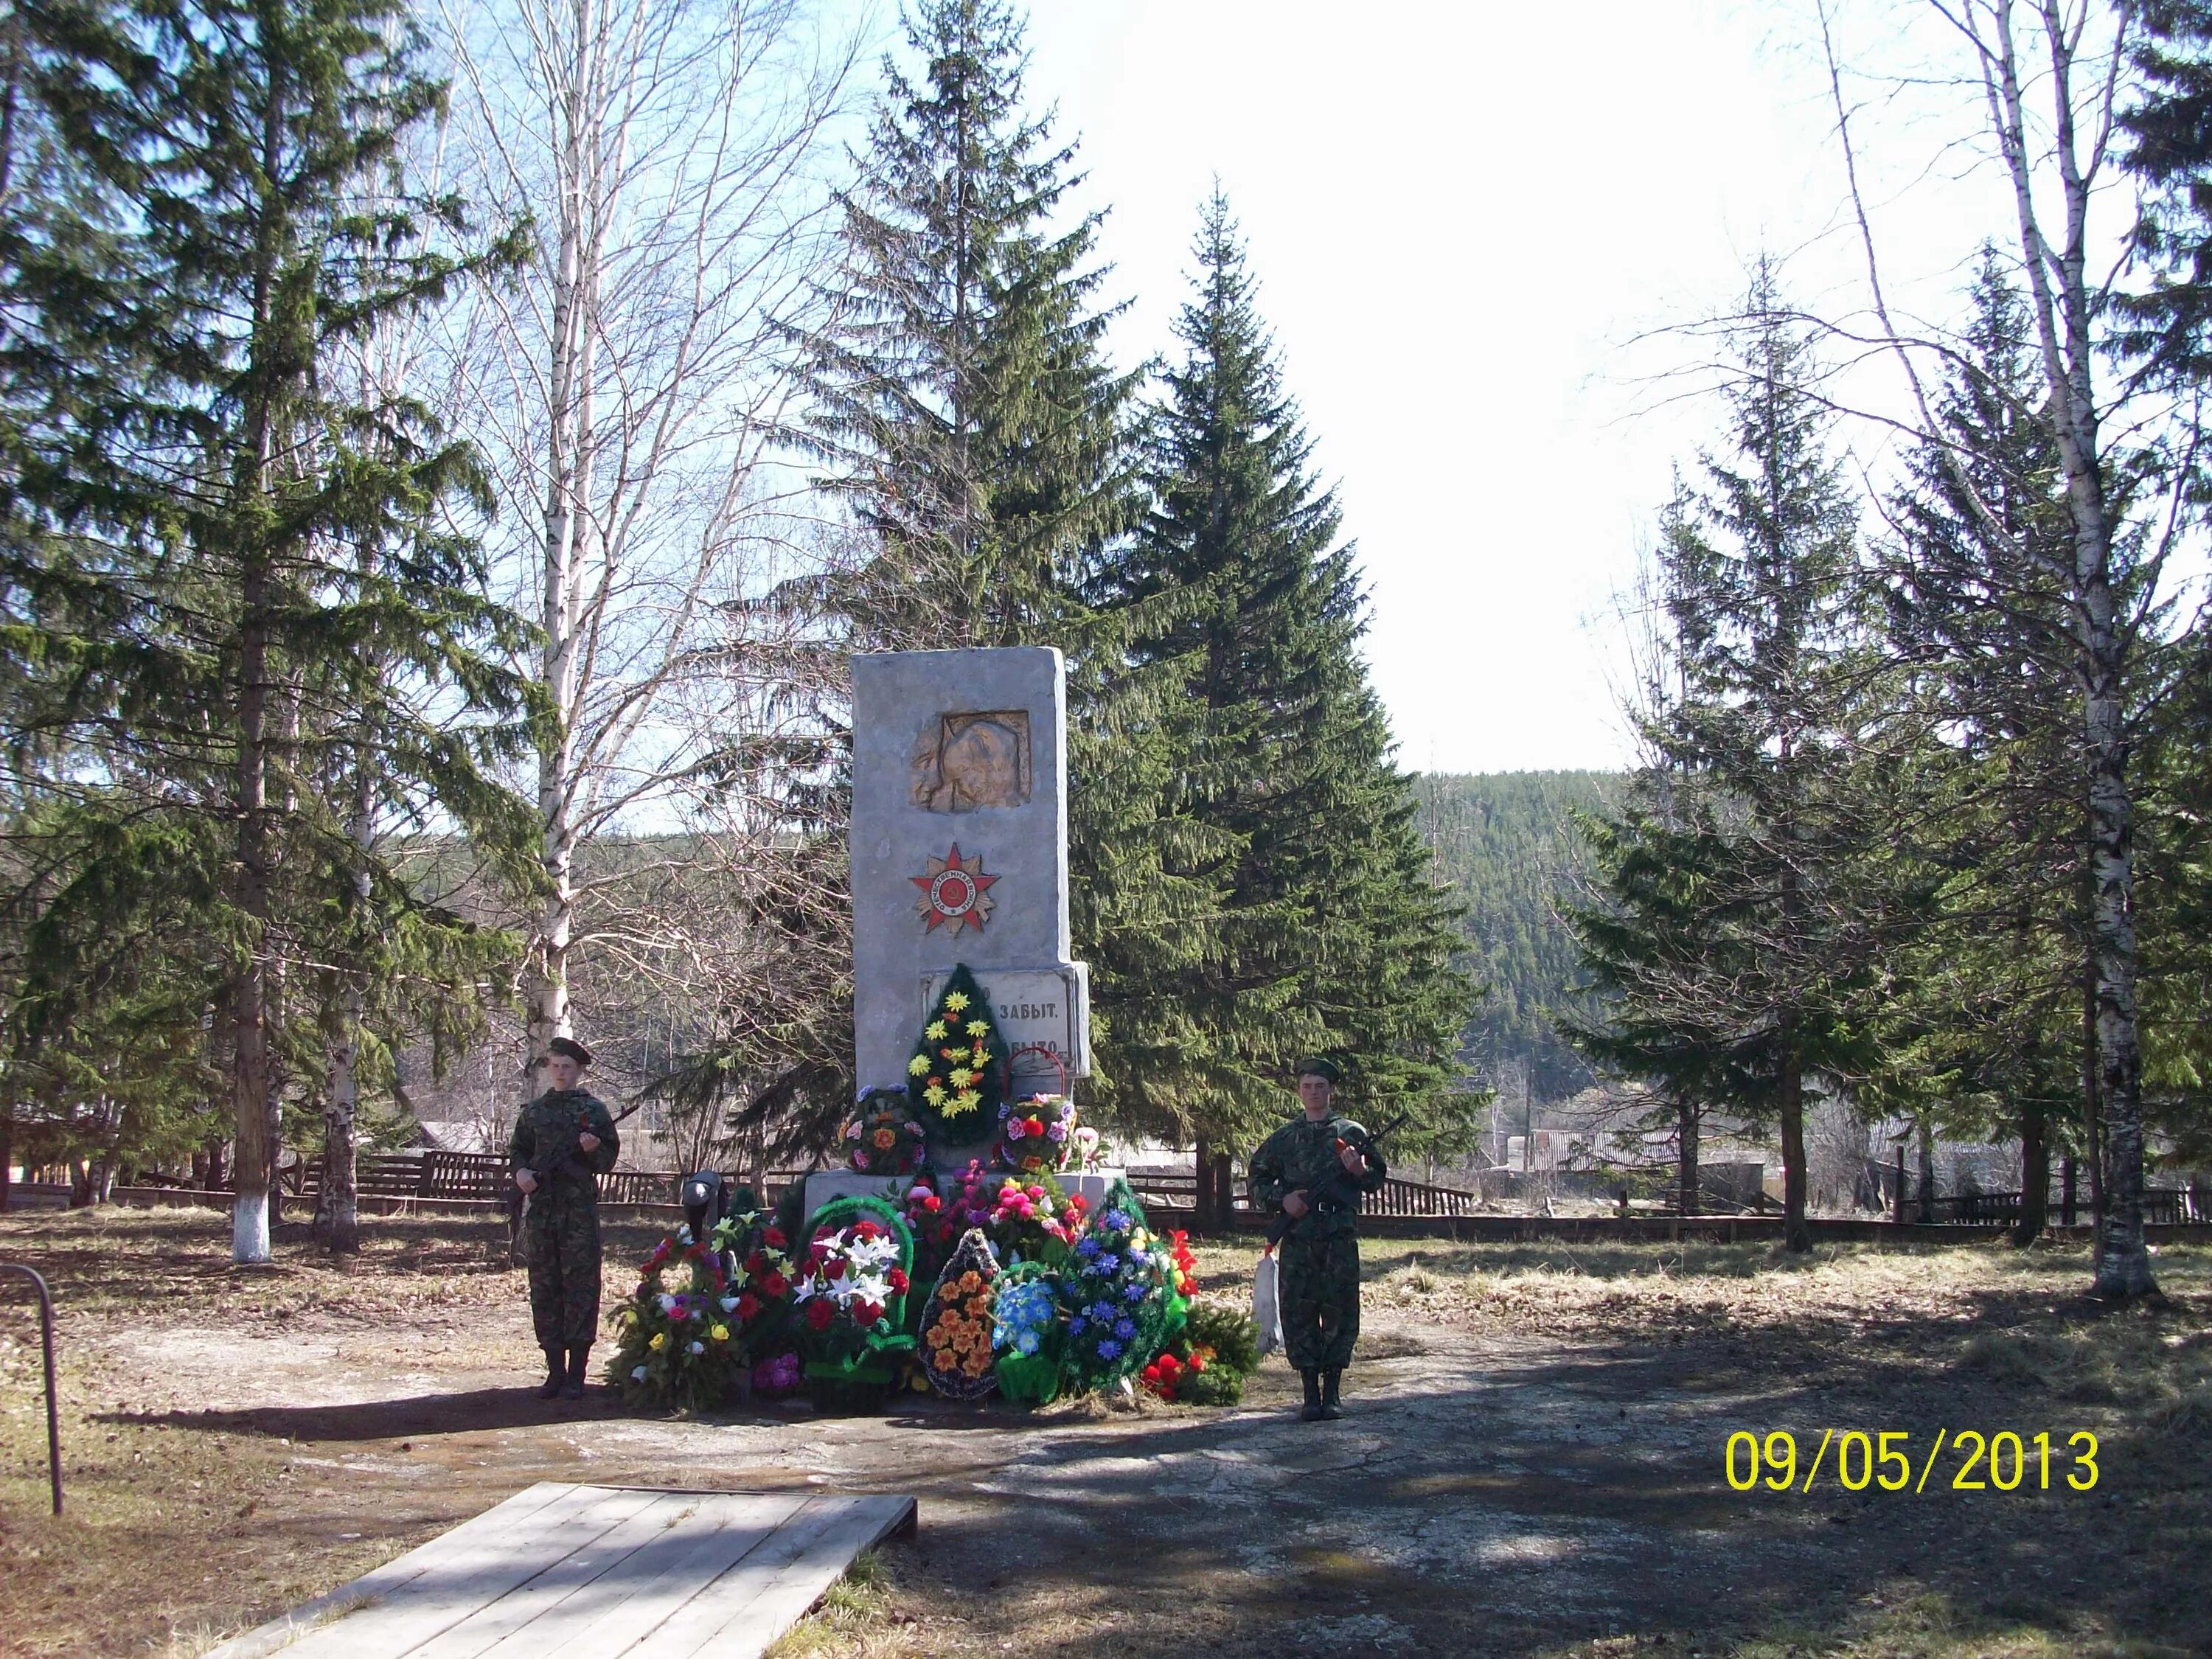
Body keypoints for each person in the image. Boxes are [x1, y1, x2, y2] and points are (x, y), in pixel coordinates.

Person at [1246, 1056, 1386, 1422]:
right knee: (1299, 1311)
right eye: (1307, 1086)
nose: (1313, 1093)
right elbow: (1256, 1177)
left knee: (1339, 1309)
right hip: (1299, 1237)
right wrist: (1283, 1200)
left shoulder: (1351, 1134)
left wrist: (1359, 1170)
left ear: (1331, 1091)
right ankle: (1310, 1393)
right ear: (1299, 1091)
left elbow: (1375, 1178)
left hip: (1338, 1236)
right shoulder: (1285, 1137)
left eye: (1320, 1087)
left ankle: (1334, 1392)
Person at [509, 1036, 620, 1399]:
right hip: (543, 1212)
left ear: (578, 1071)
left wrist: (594, 1151)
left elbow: (607, 1160)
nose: (560, 1073)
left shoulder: (594, 1111)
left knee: (581, 1288)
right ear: (548, 1068)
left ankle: (577, 1373)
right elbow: (519, 1152)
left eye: (567, 1067)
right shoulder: (534, 1112)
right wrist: (522, 1173)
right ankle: (554, 1370)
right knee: (545, 1287)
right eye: (555, 1066)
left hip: (578, 1213)